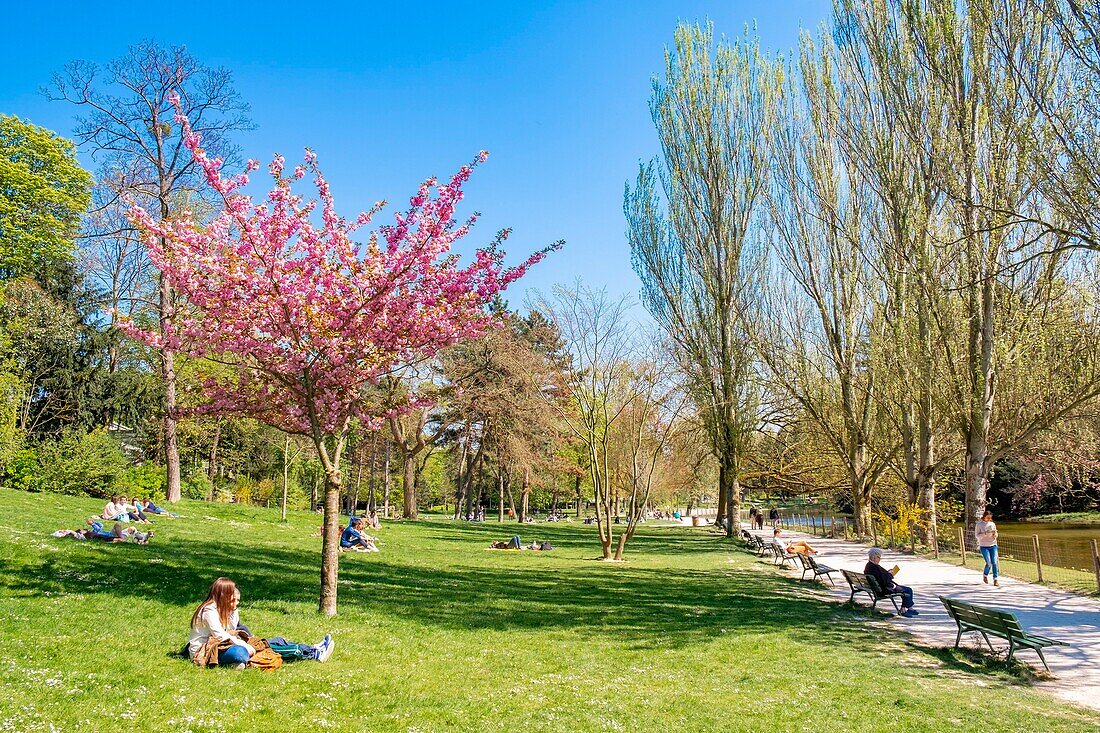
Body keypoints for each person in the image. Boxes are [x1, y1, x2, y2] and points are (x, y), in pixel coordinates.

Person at [189, 578, 333, 669]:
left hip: (224, 645)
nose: (236, 604)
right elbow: (219, 635)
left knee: (268, 643)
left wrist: (233, 612)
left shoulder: (227, 610)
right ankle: (312, 652)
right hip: (207, 650)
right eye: (233, 600)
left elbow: (233, 629)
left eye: (238, 601)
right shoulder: (209, 610)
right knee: (242, 653)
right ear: (223, 597)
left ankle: (311, 651)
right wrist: (245, 644)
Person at [865, 547, 918, 617]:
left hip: (878, 588)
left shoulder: (869, 566)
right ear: (874, 557)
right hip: (884, 590)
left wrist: (888, 573)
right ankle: (903, 610)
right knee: (908, 590)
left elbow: (880, 577)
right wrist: (891, 575)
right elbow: (884, 581)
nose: (879, 559)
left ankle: (909, 608)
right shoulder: (875, 567)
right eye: (879, 557)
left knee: (905, 589)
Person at [975, 509, 1000, 587]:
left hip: (993, 545)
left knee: (995, 562)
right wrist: (985, 534)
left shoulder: (992, 524)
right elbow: (977, 536)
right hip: (984, 546)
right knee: (989, 563)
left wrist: (995, 534)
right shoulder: (979, 525)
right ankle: (985, 575)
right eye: (988, 517)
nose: (989, 519)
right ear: (984, 517)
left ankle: (995, 579)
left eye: (990, 518)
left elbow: (996, 532)